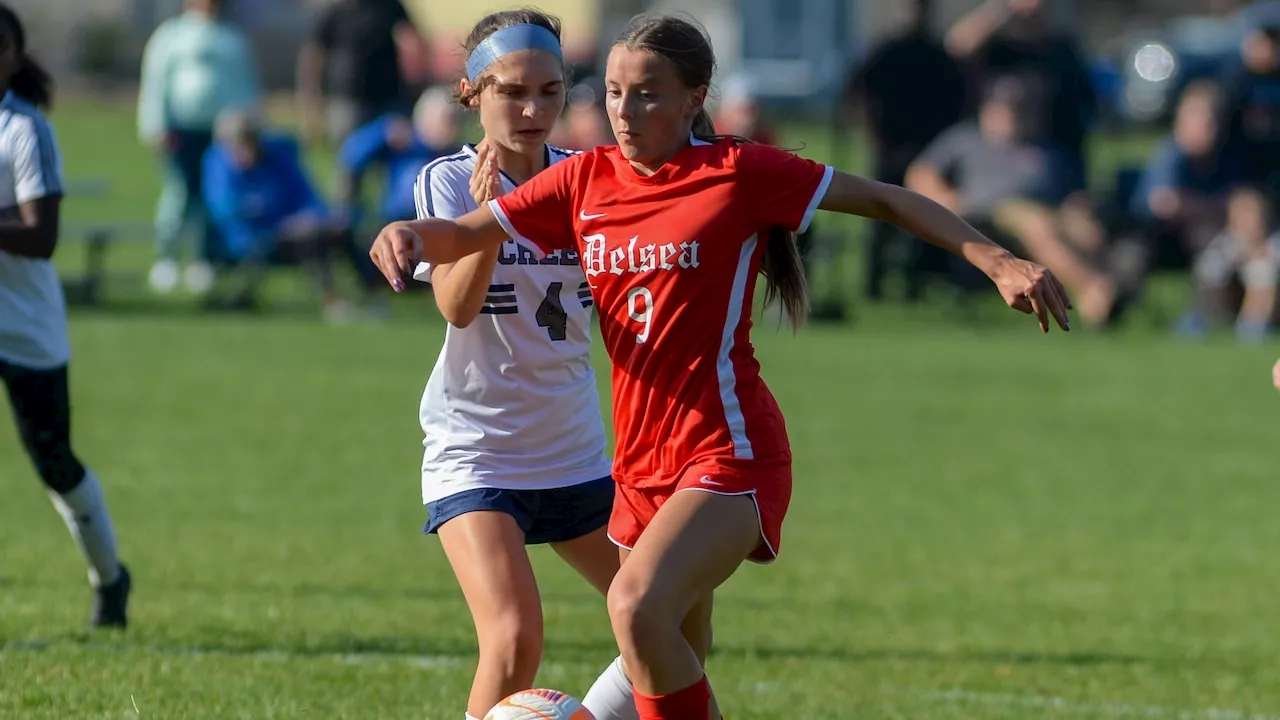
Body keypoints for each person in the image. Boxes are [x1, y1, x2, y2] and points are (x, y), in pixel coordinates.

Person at [371, 14, 1069, 720]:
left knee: (636, 606)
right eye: (613, 92)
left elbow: (885, 198)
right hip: (638, 465)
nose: (624, 110)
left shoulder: (737, 172)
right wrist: (403, 232)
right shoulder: (584, 180)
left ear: (693, 98)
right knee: (671, 642)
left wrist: (997, 258)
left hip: (727, 450)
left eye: (646, 93)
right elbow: (460, 233)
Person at [407, 10, 636, 720]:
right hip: (477, 451)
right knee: (512, 641)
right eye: (512, 91)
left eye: (550, 89)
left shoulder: (594, 182)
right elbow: (456, 306)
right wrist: (489, 219)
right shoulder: (447, 183)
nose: (534, 108)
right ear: (473, 93)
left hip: (574, 451)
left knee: (671, 620)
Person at [0, 3, 131, 628]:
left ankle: (109, 577)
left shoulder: (23, 130)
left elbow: (41, 235)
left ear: (14, 56)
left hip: (23, 322)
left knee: (53, 460)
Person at [202, 110, 383, 319]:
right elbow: (226, 211)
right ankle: (332, 302)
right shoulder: (219, 167)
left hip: (296, 230)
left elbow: (307, 196)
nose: (245, 149)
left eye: (250, 141)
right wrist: (284, 222)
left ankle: (372, 295)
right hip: (254, 239)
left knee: (341, 230)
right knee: (310, 238)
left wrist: (322, 218)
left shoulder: (278, 159)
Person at [137, 0, 261, 296]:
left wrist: (245, 132)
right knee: (179, 192)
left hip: (220, 134)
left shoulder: (231, 38)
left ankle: (202, 257)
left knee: (211, 196)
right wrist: (156, 124)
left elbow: (244, 86)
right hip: (180, 129)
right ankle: (166, 257)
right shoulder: (170, 35)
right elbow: (156, 82)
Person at [337, 85, 460, 229]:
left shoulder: (455, 155)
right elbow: (351, 154)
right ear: (424, 118)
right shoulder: (406, 144)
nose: (449, 129)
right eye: (444, 120)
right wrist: (382, 132)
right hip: (395, 220)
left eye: (454, 122)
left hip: (434, 224)